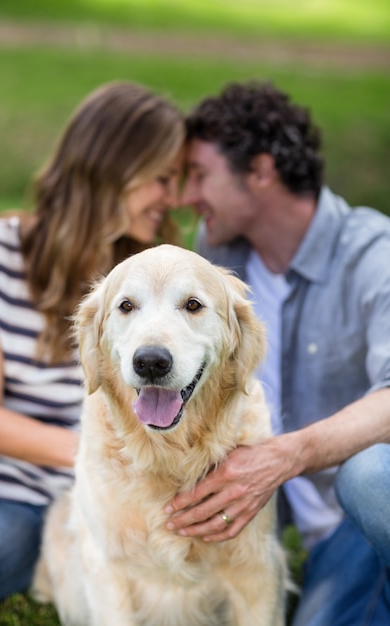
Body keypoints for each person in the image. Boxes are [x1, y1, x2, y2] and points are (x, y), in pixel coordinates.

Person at [165, 80, 390, 625]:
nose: (185, 196)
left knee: (369, 475)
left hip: (372, 510)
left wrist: (286, 456)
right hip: (329, 543)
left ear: (261, 171)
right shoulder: (214, 260)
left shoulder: (373, 253)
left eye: (200, 175)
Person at [0, 80, 185, 604]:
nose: (175, 198)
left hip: (35, 504)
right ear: (112, 170)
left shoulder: (148, 284)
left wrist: (110, 467)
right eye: (162, 178)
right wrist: (102, 453)